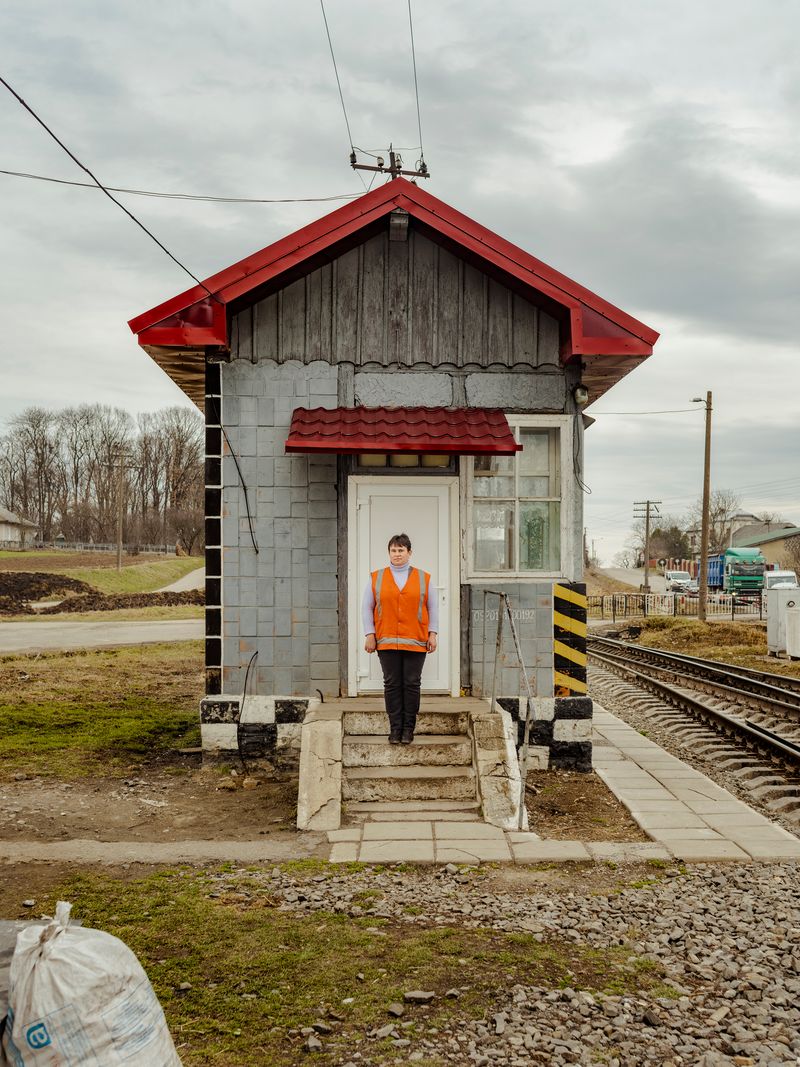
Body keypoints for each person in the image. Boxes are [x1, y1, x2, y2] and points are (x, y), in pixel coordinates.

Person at [362, 533, 438, 745]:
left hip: (416, 639)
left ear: (409, 552)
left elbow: (433, 608)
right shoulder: (376, 577)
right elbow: (366, 608)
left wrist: (433, 633)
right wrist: (369, 634)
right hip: (386, 640)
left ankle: (408, 729)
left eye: (401, 550)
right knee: (392, 684)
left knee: (411, 684)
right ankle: (395, 729)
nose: (397, 554)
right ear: (389, 553)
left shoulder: (424, 578)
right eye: (393, 550)